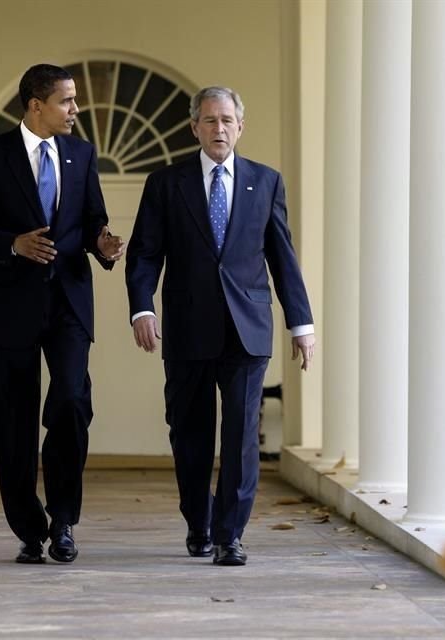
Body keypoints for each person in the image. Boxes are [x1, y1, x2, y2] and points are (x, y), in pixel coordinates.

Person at [125, 86, 315, 566]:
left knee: (240, 437)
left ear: (240, 126)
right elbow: (146, 253)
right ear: (194, 128)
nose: (219, 129)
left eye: (227, 120)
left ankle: (231, 534)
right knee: (189, 434)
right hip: (187, 329)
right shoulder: (166, 184)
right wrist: (142, 308)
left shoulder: (266, 181)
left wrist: (301, 324)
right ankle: (199, 522)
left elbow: (282, 256)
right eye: (209, 121)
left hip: (247, 329)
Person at [0, 63, 124, 565]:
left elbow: (93, 218)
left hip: (69, 300)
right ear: (35, 105)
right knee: (13, 420)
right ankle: (29, 528)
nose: (75, 110)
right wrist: (11, 243)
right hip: (9, 306)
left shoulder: (82, 154)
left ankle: (64, 520)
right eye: (67, 101)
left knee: (71, 400)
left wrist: (104, 244)